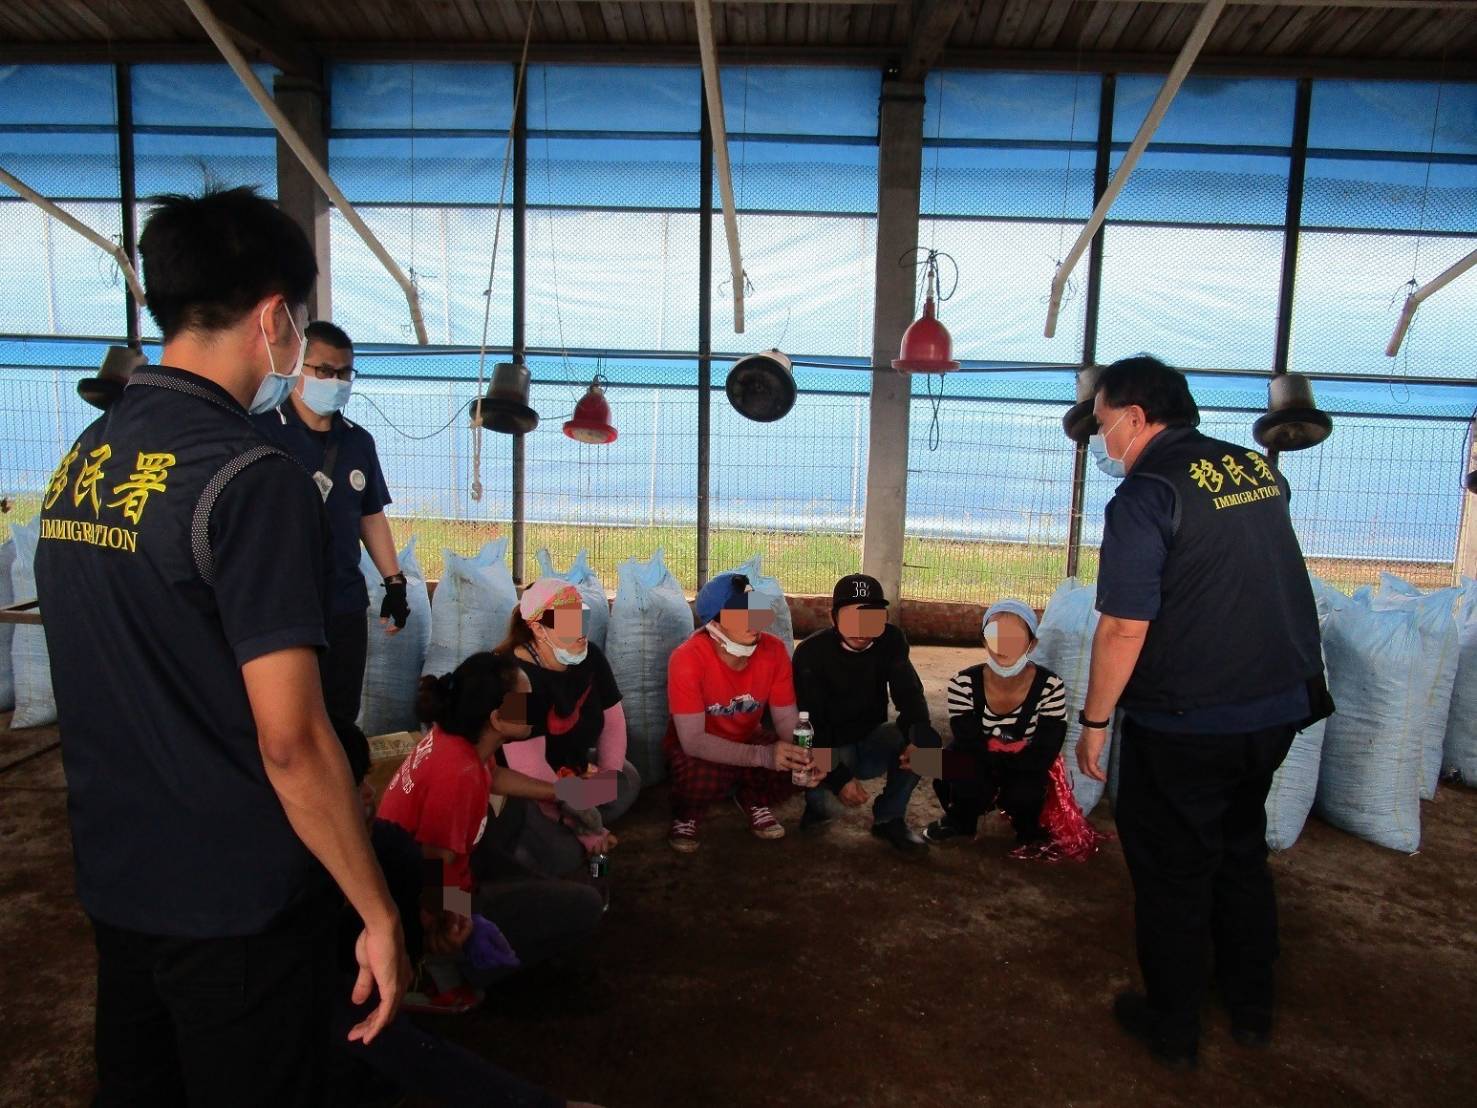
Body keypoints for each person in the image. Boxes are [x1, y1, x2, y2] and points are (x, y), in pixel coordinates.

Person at [33, 186, 407, 1104]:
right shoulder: (248, 477)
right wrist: (374, 907)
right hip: (233, 902)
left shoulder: (85, 459)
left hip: (120, 876)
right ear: (275, 318)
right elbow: (292, 741)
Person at [1074, 355, 1330, 1070]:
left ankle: (1172, 1025)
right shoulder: (1252, 470)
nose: (1101, 441)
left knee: (1172, 872)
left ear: (1132, 417)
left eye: (1101, 425)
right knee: (1240, 850)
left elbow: (1122, 626)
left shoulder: (1145, 494)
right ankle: (1250, 1007)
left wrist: (1095, 721)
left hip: (1189, 721)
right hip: (1277, 704)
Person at [376, 653, 604, 1013]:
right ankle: (441, 972)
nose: (536, 707)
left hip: (425, 872)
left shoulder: (461, 738)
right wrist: (441, 928)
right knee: (585, 906)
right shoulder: (458, 775)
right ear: (498, 717)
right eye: (526, 703)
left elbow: (494, 778)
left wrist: (564, 792)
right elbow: (432, 860)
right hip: (423, 891)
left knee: (512, 811)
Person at [255, 319, 407, 781]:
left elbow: (370, 514)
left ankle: (339, 794)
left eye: (345, 374)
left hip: (341, 602)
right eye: (325, 371)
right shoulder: (262, 431)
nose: (336, 382)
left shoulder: (357, 441)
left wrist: (394, 581)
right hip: (279, 606)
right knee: (284, 719)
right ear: (298, 368)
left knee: (339, 713)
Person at [922, 600, 1106, 863]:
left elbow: (1047, 745)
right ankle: (960, 819)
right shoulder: (962, 683)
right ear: (984, 640)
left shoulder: (1050, 686)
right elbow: (968, 740)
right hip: (980, 757)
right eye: (995, 635)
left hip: (1027, 762)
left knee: (1027, 790)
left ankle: (1028, 828)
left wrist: (1013, 769)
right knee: (941, 762)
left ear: (1032, 644)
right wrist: (993, 768)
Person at [494, 578, 642, 879]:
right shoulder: (511, 681)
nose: (580, 629)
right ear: (536, 627)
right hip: (532, 789)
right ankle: (570, 833)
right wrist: (587, 825)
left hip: (575, 773)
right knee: (562, 854)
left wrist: (608, 773)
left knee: (626, 779)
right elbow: (527, 767)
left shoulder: (591, 657)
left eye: (581, 617)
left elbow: (613, 719)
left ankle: (576, 827)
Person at [663, 572, 809, 853]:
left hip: (746, 737)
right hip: (699, 745)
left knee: (805, 764)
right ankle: (687, 814)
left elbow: (785, 718)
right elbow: (693, 740)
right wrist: (763, 757)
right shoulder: (687, 658)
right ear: (714, 622)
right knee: (700, 779)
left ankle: (752, 798)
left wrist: (803, 751)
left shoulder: (774, 650)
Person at [791, 573, 932, 853]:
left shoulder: (891, 640)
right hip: (830, 746)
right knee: (828, 808)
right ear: (833, 619)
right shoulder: (810, 654)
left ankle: (890, 818)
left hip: (871, 739)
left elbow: (909, 694)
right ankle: (817, 807)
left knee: (929, 747)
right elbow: (810, 727)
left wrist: (918, 735)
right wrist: (840, 778)